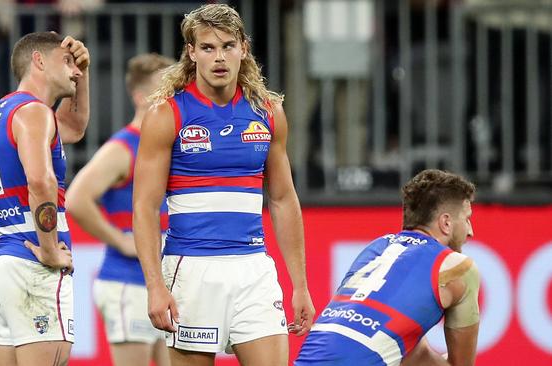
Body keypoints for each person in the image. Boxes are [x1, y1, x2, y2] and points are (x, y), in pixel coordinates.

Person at [132, 4, 315, 366]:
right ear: (191, 52)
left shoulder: (268, 112)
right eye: (208, 48)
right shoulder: (166, 114)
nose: (219, 57)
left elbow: (282, 199)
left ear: (244, 48)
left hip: (253, 270)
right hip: (191, 271)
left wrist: (301, 285)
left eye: (228, 46)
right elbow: (145, 207)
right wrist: (155, 286)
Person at [0, 31, 90, 366]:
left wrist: (85, 71)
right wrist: (51, 248)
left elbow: (75, 128)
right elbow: (41, 180)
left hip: (5, 262)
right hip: (33, 266)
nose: (76, 71)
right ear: (38, 61)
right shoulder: (34, 112)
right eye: (67, 62)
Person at [295, 169, 480, 366]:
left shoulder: (377, 247)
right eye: (466, 218)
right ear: (446, 223)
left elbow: (415, 355)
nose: (470, 231)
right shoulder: (458, 267)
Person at [66, 53, 174, 366]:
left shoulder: (165, 143)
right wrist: (120, 239)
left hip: (162, 283)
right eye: (163, 90)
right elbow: (77, 199)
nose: (173, 97)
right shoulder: (123, 147)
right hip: (128, 282)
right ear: (141, 97)